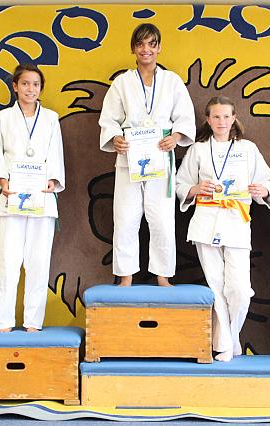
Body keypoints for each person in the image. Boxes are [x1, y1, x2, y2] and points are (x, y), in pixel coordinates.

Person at [176, 96, 270, 362]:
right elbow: (181, 184)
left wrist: (263, 190)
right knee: (216, 286)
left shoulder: (248, 149)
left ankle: (230, 336)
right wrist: (195, 189)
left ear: (234, 119)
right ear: (208, 120)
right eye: (216, 117)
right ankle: (225, 345)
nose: (221, 122)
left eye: (226, 116)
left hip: (236, 220)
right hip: (206, 221)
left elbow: (266, 180)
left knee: (240, 289)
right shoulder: (198, 150)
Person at [99, 23, 196, 287]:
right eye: (140, 44)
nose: (146, 49)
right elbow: (108, 120)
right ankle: (125, 276)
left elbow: (185, 117)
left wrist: (176, 137)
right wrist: (115, 138)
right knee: (125, 218)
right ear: (133, 48)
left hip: (160, 156)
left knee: (162, 220)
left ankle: (163, 276)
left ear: (159, 48)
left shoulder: (172, 81)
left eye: (152, 44)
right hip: (130, 158)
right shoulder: (122, 83)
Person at [0, 63, 65, 332]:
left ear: (41, 88)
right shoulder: (2, 118)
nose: (31, 89)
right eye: (26, 83)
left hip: (41, 196)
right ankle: (4, 321)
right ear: (15, 86)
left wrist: (53, 179)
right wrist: (2, 181)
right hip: (12, 195)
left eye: (36, 84)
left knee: (38, 262)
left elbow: (55, 153)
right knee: (8, 262)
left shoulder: (51, 118)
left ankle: (33, 322)